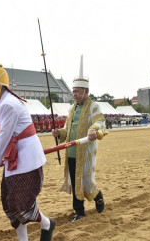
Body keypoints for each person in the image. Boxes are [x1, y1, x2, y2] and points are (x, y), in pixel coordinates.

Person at [0, 64, 55, 241]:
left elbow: (4, 136)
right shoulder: (6, 102)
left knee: (19, 203)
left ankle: (46, 223)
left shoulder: (8, 104)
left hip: (25, 159)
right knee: (10, 202)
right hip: (15, 158)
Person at [51, 69, 106, 222]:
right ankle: (79, 211)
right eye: (73, 91)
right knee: (75, 181)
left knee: (86, 182)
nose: (74, 94)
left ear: (86, 91)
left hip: (86, 152)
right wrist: (59, 133)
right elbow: (67, 129)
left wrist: (93, 129)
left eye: (77, 91)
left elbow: (100, 121)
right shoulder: (71, 108)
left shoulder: (94, 106)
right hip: (71, 151)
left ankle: (98, 196)